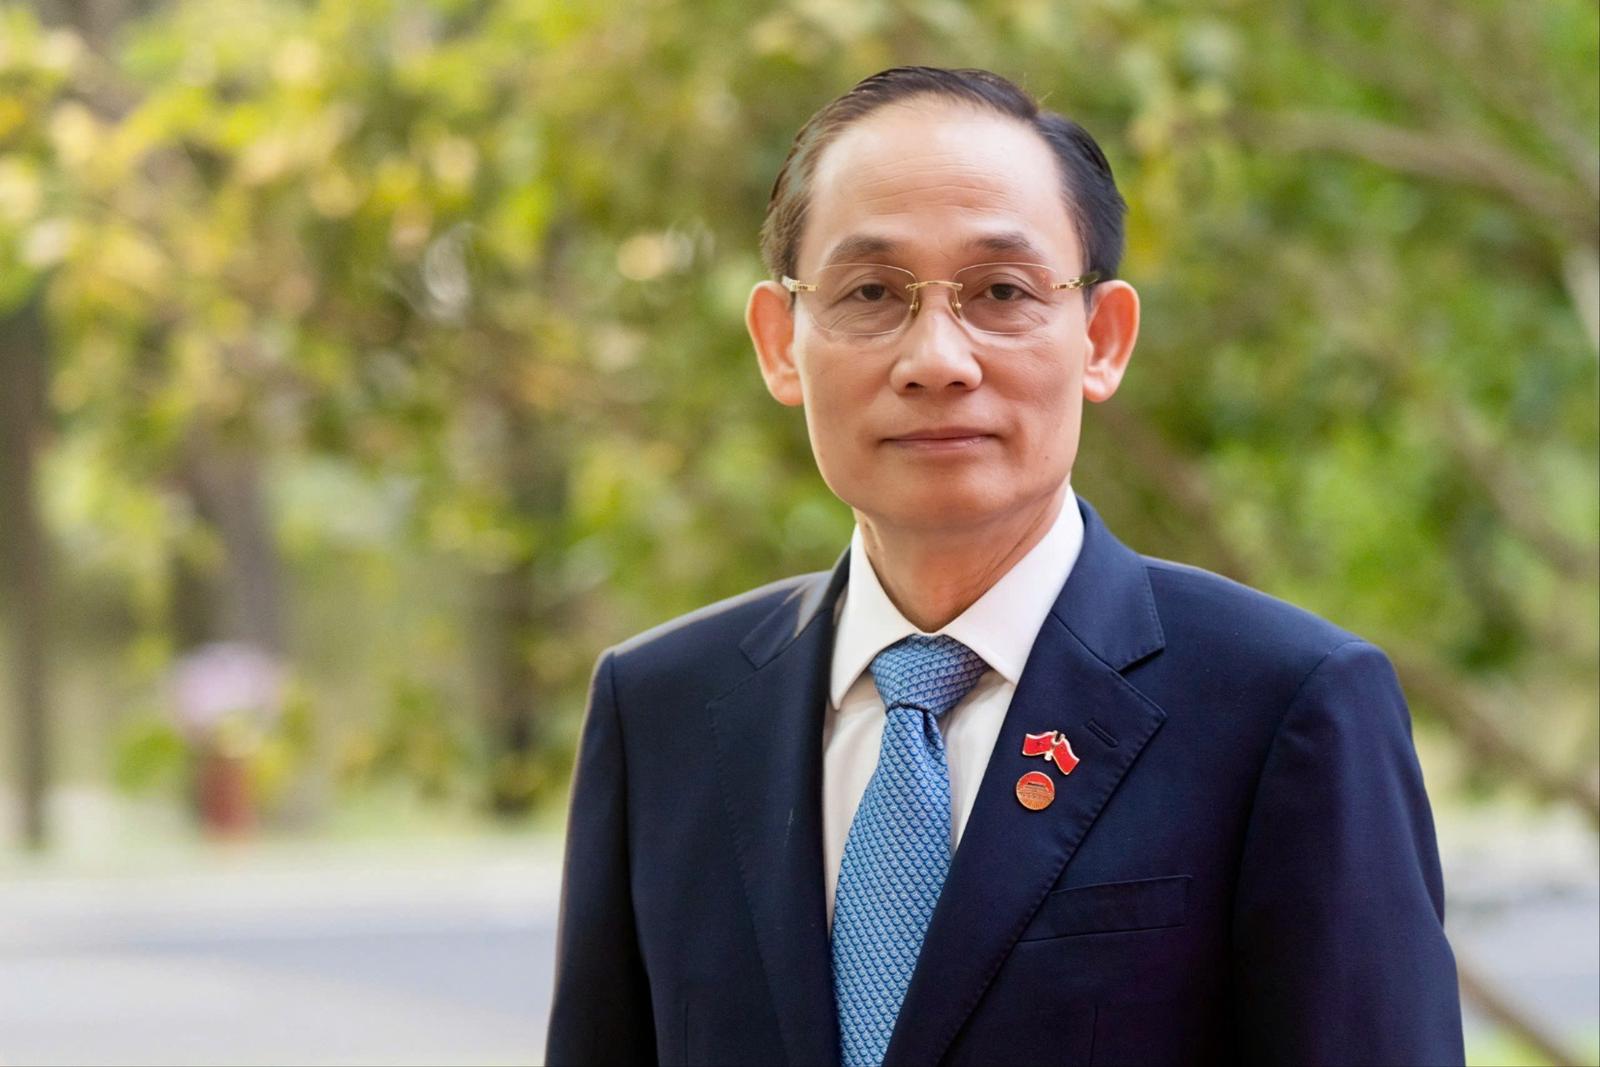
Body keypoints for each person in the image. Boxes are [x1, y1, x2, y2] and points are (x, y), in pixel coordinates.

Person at [545, 66, 1464, 1066]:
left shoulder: (1284, 705)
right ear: (779, 342)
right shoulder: (662, 710)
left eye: (1001, 292)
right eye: (870, 293)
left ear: (1102, 339)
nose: (937, 359)